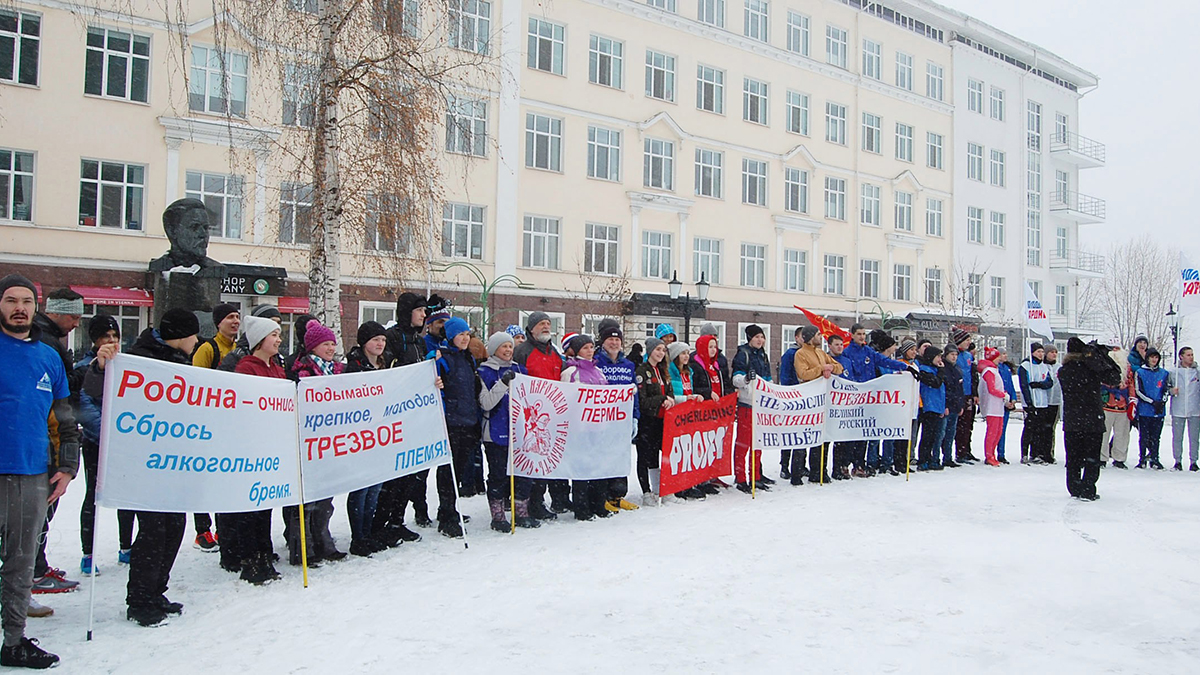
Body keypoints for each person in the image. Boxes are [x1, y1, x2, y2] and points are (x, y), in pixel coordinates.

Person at [84, 308, 199, 627]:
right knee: (154, 529)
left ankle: (156, 590)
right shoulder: (138, 358)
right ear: (180, 336)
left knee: (174, 525)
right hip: (146, 461)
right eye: (193, 335)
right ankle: (139, 599)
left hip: (173, 459)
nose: (197, 341)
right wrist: (101, 367)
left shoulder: (179, 359)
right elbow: (94, 389)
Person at [0, 275, 78, 666]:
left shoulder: (49, 356)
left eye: (27, 301)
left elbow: (65, 418)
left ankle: (13, 641)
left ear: (36, 307)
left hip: (32, 474)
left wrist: (67, 466)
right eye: (11, 300)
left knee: (21, 562)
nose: (20, 308)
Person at [30, 288, 84, 598]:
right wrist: (88, 370)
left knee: (39, 512)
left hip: (48, 437)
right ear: (56, 312)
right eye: (73, 317)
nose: (76, 323)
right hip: (47, 440)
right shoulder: (46, 342)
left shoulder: (47, 338)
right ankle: (35, 572)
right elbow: (61, 390)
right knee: (40, 512)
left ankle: (35, 568)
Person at [74, 314, 136, 577]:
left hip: (122, 443)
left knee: (126, 495)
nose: (111, 341)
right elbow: (85, 407)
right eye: (105, 337)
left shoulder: (126, 365)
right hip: (96, 442)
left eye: (115, 336)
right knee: (93, 496)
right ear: (95, 340)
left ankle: (126, 546)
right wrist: (108, 434)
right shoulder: (84, 368)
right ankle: (88, 554)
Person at [230, 316, 286, 584]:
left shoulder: (276, 367)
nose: (279, 340)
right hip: (252, 444)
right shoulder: (246, 368)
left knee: (265, 505)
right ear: (259, 340)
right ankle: (250, 559)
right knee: (250, 506)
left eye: (279, 335)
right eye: (273, 335)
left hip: (272, 443)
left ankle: (264, 553)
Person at [374, 293, 434, 543]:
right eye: (419, 311)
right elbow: (388, 372)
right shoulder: (394, 337)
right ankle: (380, 522)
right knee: (393, 475)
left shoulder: (419, 341)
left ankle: (397, 520)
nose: (423, 315)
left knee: (411, 475)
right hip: (396, 415)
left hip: (415, 413)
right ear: (408, 312)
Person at [286, 322, 348, 564]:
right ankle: (303, 546)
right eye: (326, 344)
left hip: (329, 441)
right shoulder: (301, 372)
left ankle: (323, 539)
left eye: (333, 344)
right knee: (305, 500)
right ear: (313, 347)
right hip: (307, 442)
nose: (331, 348)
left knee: (325, 498)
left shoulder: (337, 371)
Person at [834, 324, 916, 479]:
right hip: (853, 397)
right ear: (852, 335)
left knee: (864, 432)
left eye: (863, 334)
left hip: (868, 398)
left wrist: (905, 367)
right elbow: (847, 373)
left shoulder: (868, 351)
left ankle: (859, 464)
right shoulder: (847, 352)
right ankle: (844, 464)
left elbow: (884, 361)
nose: (861, 337)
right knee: (850, 434)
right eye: (859, 334)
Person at [190, 303, 241, 555]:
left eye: (238, 317)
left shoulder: (239, 348)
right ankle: (202, 529)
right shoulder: (207, 348)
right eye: (230, 317)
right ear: (218, 322)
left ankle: (224, 527)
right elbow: (197, 383)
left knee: (225, 476)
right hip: (209, 422)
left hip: (231, 424)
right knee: (204, 477)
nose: (235, 321)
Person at [478, 331, 539, 531]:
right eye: (503, 346)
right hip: (495, 430)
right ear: (494, 349)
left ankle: (521, 512)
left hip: (520, 431)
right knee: (498, 474)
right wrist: (503, 384)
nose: (508, 350)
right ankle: (498, 516)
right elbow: (486, 403)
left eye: (510, 346)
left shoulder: (520, 370)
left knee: (524, 473)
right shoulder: (484, 372)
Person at [343, 321, 393, 555]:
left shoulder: (385, 364)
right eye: (375, 340)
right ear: (364, 342)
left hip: (380, 433)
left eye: (383, 340)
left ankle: (369, 532)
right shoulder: (354, 367)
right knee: (361, 487)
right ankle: (358, 537)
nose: (380, 344)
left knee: (375, 487)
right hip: (360, 434)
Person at [514, 311, 569, 518]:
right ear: (531, 328)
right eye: (541, 324)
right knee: (530, 461)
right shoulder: (522, 351)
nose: (546, 327)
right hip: (528, 418)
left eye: (548, 323)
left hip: (550, 418)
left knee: (544, 462)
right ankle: (526, 503)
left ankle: (539, 501)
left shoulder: (554, 353)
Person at [429, 317, 479, 536]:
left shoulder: (468, 358)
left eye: (467, 334)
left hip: (468, 419)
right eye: (460, 335)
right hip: (451, 421)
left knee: (458, 468)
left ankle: (449, 508)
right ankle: (447, 513)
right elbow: (435, 383)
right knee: (448, 470)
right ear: (451, 336)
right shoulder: (443, 357)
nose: (465, 338)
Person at [561, 334, 618, 518]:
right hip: (580, 429)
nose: (589, 351)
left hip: (598, 428)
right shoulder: (571, 372)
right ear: (577, 350)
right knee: (582, 468)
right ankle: (582, 508)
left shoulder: (598, 371)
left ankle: (598, 504)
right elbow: (566, 399)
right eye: (585, 348)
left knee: (598, 467)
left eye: (591, 347)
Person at [1059, 338, 1122, 499]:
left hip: (1072, 420)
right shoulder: (1091, 368)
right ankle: (1088, 488)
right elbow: (1114, 377)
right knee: (1092, 457)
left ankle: (1074, 486)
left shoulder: (1064, 370)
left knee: (1073, 457)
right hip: (1092, 418)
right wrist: (1101, 357)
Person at [593, 319, 641, 512]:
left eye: (617, 340)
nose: (614, 343)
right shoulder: (596, 363)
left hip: (622, 420)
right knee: (603, 458)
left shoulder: (628, 365)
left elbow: (633, 392)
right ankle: (602, 495)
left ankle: (617, 495)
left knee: (620, 457)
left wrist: (635, 416)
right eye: (610, 340)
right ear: (603, 342)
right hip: (603, 420)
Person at [794, 325, 843, 482]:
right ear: (810, 337)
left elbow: (839, 367)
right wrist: (821, 369)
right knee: (803, 436)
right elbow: (803, 374)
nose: (820, 337)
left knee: (821, 437)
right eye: (818, 335)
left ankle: (819, 471)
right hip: (807, 400)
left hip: (822, 400)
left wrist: (831, 367)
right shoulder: (800, 354)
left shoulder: (821, 353)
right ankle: (796, 472)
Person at [731, 325, 774, 493]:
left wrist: (771, 390)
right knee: (743, 443)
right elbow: (736, 379)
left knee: (757, 442)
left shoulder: (763, 355)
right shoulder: (743, 354)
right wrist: (746, 379)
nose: (760, 340)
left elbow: (768, 378)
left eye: (762, 337)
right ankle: (741, 477)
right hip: (747, 404)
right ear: (750, 338)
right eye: (757, 337)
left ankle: (755, 475)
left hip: (760, 405)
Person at [635, 337, 671, 505]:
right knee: (644, 456)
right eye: (658, 350)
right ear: (650, 351)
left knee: (658, 455)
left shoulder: (663, 371)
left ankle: (658, 488)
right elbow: (643, 401)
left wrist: (669, 399)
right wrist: (662, 399)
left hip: (662, 420)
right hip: (647, 420)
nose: (661, 353)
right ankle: (646, 491)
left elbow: (669, 392)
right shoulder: (642, 371)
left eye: (663, 350)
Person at [1019, 342, 1055, 465]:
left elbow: (1049, 382)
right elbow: (1024, 385)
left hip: (1042, 403)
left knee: (1040, 430)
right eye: (1038, 351)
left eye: (1042, 352)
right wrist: (1029, 403)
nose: (1041, 354)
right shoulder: (1025, 366)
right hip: (1031, 402)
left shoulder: (1044, 366)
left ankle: (1036, 453)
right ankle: (1024, 453)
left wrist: (1040, 384)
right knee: (1029, 429)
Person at [1134, 348, 1169, 470]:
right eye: (1152, 357)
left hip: (1159, 411)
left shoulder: (1164, 373)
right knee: (1144, 436)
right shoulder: (1140, 372)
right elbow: (1138, 391)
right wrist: (1152, 402)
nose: (1154, 360)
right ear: (1147, 358)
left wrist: (1162, 402)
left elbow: (1166, 389)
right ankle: (1142, 459)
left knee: (1156, 437)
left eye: (1156, 357)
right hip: (1145, 410)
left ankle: (1155, 458)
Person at [977, 347, 1011, 467]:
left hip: (998, 406)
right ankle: (989, 455)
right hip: (992, 407)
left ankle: (992, 454)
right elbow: (991, 389)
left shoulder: (994, 370)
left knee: (998, 431)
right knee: (992, 432)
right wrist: (1003, 395)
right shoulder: (989, 371)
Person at [915, 345, 948, 471]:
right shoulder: (924, 370)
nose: (940, 359)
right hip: (929, 406)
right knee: (927, 436)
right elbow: (935, 383)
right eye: (938, 356)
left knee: (934, 436)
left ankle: (930, 459)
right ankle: (923, 460)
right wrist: (941, 371)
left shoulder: (935, 369)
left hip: (937, 406)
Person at [777, 327, 804, 481]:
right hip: (792, 397)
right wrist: (789, 393)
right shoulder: (790, 354)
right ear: (796, 338)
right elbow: (785, 375)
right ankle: (785, 465)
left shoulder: (809, 353)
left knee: (803, 432)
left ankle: (801, 464)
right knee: (789, 433)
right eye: (801, 337)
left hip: (805, 398)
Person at [1167, 347, 1200, 471]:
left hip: (1195, 409)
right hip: (1178, 409)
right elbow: (1166, 388)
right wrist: (1171, 391)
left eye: (1192, 355)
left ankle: (1194, 461)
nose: (1191, 357)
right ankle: (1178, 461)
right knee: (1177, 437)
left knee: (1194, 438)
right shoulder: (1173, 372)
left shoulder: (1197, 372)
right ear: (1181, 356)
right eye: (1188, 355)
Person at [1101, 344, 1133, 469]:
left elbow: (1131, 385)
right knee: (1104, 434)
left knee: (1122, 435)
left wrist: (1132, 401)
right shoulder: (1104, 367)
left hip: (1123, 406)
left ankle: (1119, 458)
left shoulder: (1128, 369)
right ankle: (1101, 458)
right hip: (1106, 405)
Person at [951, 329, 979, 464]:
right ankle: (959, 451)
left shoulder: (968, 356)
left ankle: (967, 450)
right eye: (967, 340)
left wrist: (974, 393)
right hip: (959, 393)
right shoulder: (954, 355)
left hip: (968, 394)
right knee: (960, 425)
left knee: (968, 424)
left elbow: (973, 375)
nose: (969, 342)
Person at [940, 346, 964, 469]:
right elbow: (945, 389)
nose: (954, 357)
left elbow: (960, 389)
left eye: (956, 355)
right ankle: (938, 457)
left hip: (955, 405)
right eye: (952, 354)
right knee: (942, 433)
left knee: (951, 433)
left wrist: (961, 405)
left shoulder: (957, 369)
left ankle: (948, 457)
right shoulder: (943, 369)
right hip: (948, 405)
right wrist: (945, 405)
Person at [995, 348, 1018, 464]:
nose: (1005, 356)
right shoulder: (995, 369)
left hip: (1007, 401)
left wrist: (1013, 398)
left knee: (1003, 429)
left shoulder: (1006, 369)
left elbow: (1010, 384)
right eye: (1003, 354)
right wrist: (1005, 399)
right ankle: (992, 453)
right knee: (996, 430)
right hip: (999, 402)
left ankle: (1001, 453)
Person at [697, 323, 732, 394]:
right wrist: (708, 393)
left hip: (720, 397)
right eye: (710, 335)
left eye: (715, 335)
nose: (713, 338)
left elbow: (726, 380)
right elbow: (696, 384)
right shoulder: (695, 359)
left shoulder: (721, 358)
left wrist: (729, 393)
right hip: (706, 398)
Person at [1043, 345, 1063, 464]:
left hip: (1055, 401)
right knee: (1042, 428)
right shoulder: (1042, 366)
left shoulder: (1059, 367)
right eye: (1051, 352)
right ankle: (1040, 451)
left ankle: (1049, 452)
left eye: (1055, 352)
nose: (1054, 354)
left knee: (1051, 428)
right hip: (1043, 401)